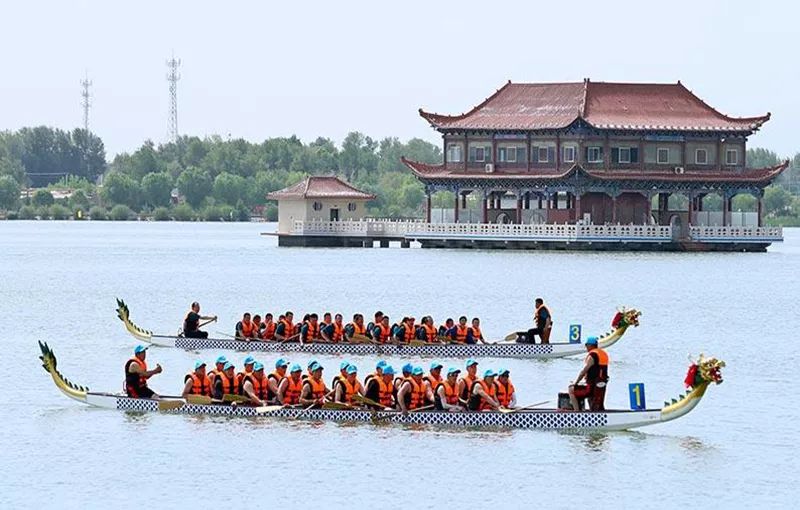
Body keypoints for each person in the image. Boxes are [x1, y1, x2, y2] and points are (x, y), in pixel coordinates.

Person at [568, 337, 609, 411]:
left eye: (586, 345)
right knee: (594, 399)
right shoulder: (602, 354)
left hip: (592, 387)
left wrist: (575, 383)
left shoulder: (592, 356)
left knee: (571, 389)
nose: (586, 347)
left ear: (591, 345)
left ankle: (577, 413)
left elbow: (583, 371)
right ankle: (593, 411)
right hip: (601, 385)